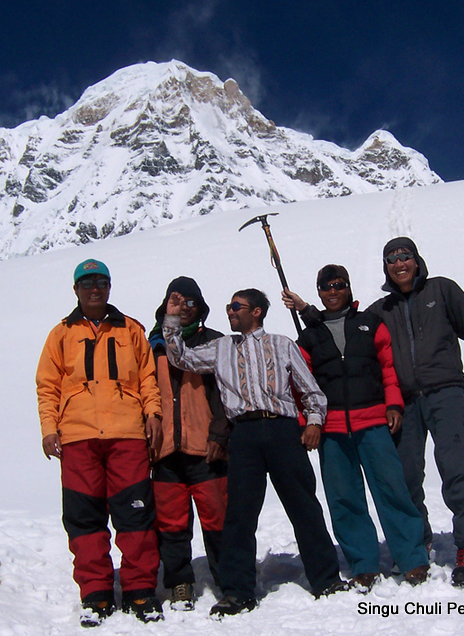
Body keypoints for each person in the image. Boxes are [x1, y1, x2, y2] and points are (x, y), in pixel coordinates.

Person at [162, 288, 345, 618]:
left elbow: (310, 388)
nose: (230, 312)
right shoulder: (220, 348)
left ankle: (326, 579)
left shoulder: (282, 343)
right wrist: (172, 319)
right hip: (243, 434)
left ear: (257, 311)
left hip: (282, 430)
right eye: (228, 307)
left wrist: (314, 421)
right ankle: (237, 591)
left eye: (236, 307)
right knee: (239, 515)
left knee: (304, 505)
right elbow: (181, 358)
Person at [366, 237, 464, 587]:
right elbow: (348, 335)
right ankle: (417, 543)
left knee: (455, 470)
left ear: (416, 260)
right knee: (408, 476)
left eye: (405, 257)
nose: (399, 264)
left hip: (445, 393)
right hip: (405, 403)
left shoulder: (442, 290)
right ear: (385, 268)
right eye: (391, 259)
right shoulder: (380, 311)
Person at [283, 264, 430, 592]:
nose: (332, 292)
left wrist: (393, 404)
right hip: (332, 429)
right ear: (319, 292)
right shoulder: (308, 336)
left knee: (393, 491)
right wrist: (307, 423)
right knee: (344, 498)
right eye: (326, 287)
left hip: (373, 422)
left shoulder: (370, 324)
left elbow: (388, 368)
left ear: (348, 288)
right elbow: (301, 385)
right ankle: (363, 563)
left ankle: (412, 557)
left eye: (338, 285)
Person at [36, 259, 164, 626]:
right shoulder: (61, 334)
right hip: (77, 437)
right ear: (75, 289)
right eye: (88, 282)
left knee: (136, 515)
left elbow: (147, 379)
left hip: (127, 434)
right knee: (84, 519)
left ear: (110, 287)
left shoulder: (131, 330)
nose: (95, 288)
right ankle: (96, 593)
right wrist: (49, 428)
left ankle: (140, 590)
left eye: (102, 282)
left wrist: (152, 415)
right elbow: (47, 386)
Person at [148, 277, 229, 610]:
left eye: (190, 302)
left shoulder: (215, 342)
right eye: (176, 301)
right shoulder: (152, 346)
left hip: (207, 447)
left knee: (218, 519)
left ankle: (228, 579)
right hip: (165, 450)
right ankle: (180, 583)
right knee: (171, 524)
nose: (183, 308)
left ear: (201, 307)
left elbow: (227, 396)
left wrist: (220, 435)